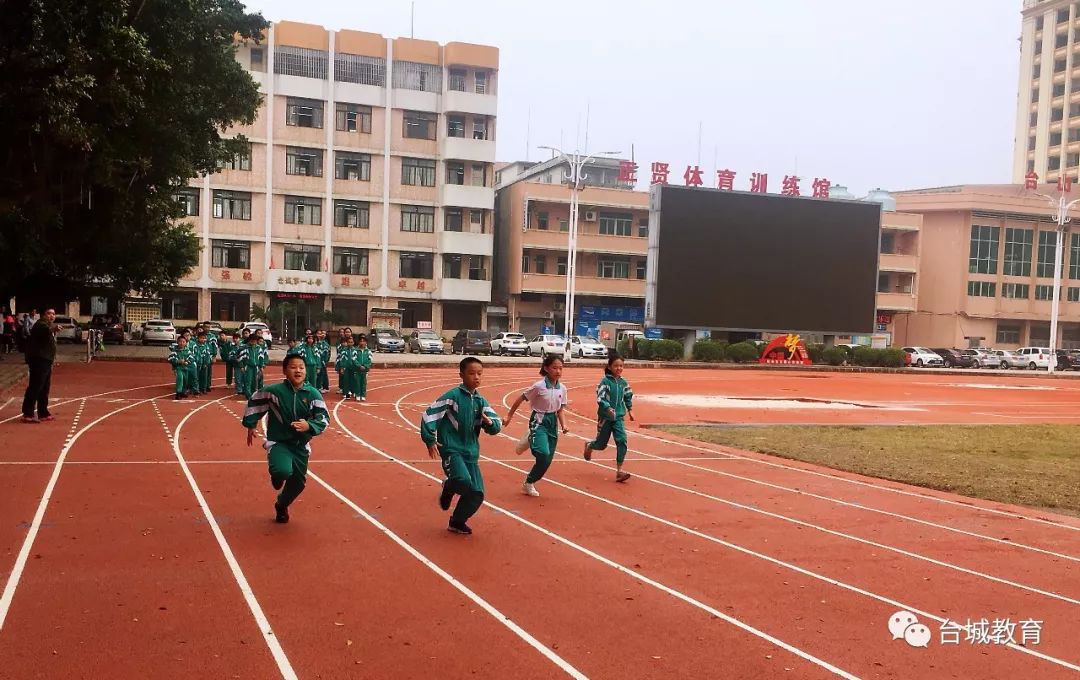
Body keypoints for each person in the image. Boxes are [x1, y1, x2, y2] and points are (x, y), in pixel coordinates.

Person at [420, 357, 502, 535]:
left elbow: (496, 423)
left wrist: (490, 424)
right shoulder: (453, 396)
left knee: (476, 494)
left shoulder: (480, 401)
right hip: (451, 448)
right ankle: (449, 487)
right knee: (462, 481)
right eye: (471, 373)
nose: (476, 377)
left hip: (471, 452)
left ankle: (457, 522)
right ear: (461, 375)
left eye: (480, 373)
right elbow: (430, 414)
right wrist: (430, 438)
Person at [242, 355, 329, 523]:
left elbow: (324, 418)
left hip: (300, 445)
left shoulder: (313, 394)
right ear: (284, 371)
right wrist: (251, 424)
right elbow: (255, 400)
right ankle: (277, 474)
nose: (298, 370)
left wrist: (309, 426)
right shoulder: (275, 391)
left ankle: (281, 505)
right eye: (293, 367)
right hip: (279, 442)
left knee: (298, 484)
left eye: (301, 367)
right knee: (282, 470)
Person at [505, 354, 569, 497]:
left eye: (561, 368)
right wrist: (509, 415)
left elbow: (560, 410)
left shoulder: (562, 389)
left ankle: (529, 483)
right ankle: (531, 437)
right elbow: (521, 398)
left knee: (546, 460)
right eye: (554, 368)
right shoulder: (538, 386)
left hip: (552, 423)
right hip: (538, 420)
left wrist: (564, 425)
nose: (558, 371)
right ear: (546, 368)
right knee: (542, 452)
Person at [583, 353, 635, 482]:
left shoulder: (623, 383)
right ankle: (590, 445)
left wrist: (630, 410)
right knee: (601, 445)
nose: (619, 368)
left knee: (622, 440)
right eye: (616, 365)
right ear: (610, 367)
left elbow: (628, 396)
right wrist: (607, 407)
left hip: (618, 417)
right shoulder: (605, 382)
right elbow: (600, 398)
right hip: (605, 417)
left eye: (621, 366)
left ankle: (619, 471)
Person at [21, 308, 57, 423]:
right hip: (39, 360)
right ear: (43, 315)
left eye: (53, 314)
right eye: (49, 313)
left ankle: (43, 412)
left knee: (44, 387)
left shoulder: (46, 325)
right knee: (36, 386)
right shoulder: (40, 325)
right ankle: (28, 413)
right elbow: (44, 331)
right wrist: (53, 328)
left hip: (46, 360)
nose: (51, 316)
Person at [168, 335, 194, 400]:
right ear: (177, 342)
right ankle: (178, 393)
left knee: (185, 380)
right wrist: (178, 361)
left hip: (185, 368)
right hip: (178, 368)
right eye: (180, 342)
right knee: (180, 379)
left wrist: (187, 362)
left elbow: (192, 358)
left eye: (183, 342)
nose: (182, 343)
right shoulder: (175, 351)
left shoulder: (187, 351)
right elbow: (170, 359)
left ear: (186, 343)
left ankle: (183, 392)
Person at [336, 335, 357, 399]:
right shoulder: (344, 350)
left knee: (353, 380)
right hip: (346, 368)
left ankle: (353, 392)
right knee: (346, 380)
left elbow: (356, 359)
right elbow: (342, 359)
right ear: (347, 343)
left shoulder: (355, 350)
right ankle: (346, 393)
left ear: (353, 343)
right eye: (349, 342)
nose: (350, 343)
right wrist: (342, 367)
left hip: (353, 367)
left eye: (351, 342)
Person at [354, 334, 372, 401]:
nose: (362, 342)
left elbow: (370, 360)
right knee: (357, 383)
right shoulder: (356, 350)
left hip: (365, 370)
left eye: (363, 341)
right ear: (359, 342)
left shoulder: (368, 351)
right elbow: (354, 359)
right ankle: (358, 394)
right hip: (357, 369)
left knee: (364, 383)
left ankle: (363, 395)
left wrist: (365, 366)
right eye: (361, 341)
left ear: (366, 342)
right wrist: (359, 365)